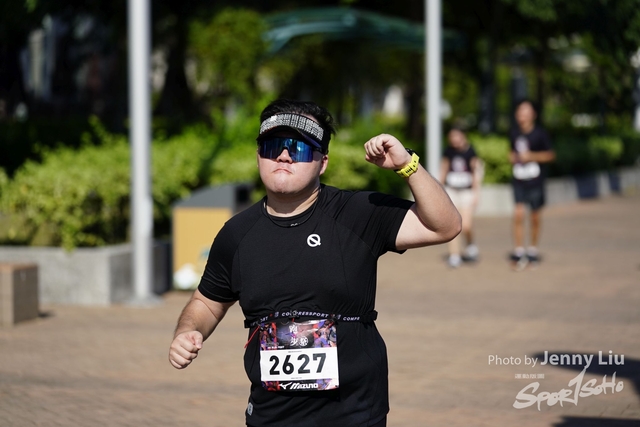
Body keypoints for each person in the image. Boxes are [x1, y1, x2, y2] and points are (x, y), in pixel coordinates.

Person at [168, 99, 461, 427]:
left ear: (322, 162)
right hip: (272, 415)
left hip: (354, 412)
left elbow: (444, 226)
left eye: (299, 148)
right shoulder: (236, 234)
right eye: (273, 146)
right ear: (259, 156)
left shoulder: (357, 212)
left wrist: (407, 165)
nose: (284, 156)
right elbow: (207, 303)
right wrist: (187, 332)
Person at [508, 99, 555, 270]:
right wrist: (512, 157)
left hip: (535, 181)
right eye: (520, 111)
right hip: (519, 180)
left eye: (525, 111)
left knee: (534, 216)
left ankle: (533, 250)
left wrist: (532, 156)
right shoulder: (514, 133)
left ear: (533, 114)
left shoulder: (540, 134)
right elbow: (511, 152)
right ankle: (519, 251)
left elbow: (550, 155)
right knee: (518, 214)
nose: (522, 114)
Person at [439, 126, 483, 268]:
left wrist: (476, 193)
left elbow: (475, 173)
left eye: (456, 136)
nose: (454, 140)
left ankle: (470, 244)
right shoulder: (448, 151)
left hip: (466, 192)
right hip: (452, 191)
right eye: (452, 137)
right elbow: (444, 169)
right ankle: (454, 255)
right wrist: (440, 190)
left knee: (466, 226)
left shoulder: (471, 151)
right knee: (452, 224)